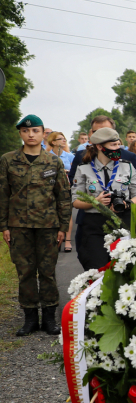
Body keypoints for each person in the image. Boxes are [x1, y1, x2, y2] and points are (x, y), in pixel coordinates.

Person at [0, 115, 73, 336]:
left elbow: (63, 196)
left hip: (48, 226)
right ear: (20, 133)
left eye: (35, 131)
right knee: (25, 272)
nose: (31, 135)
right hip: (18, 227)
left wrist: (63, 227)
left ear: (43, 134)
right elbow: (3, 194)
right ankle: (30, 318)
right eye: (26, 131)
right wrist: (3, 226)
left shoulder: (53, 162)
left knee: (48, 272)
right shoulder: (8, 160)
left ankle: (49, 319)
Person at [71, 128, 136, 270]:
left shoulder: (127, 167)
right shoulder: (84, 169)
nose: (117, 148)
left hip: (122, 223)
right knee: (97, 269)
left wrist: (127, 204)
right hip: (95, 226)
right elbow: (75, 202)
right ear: (99, 147)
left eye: (118, 145)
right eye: (113, 146)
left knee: (122, 269)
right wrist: (95, 201)